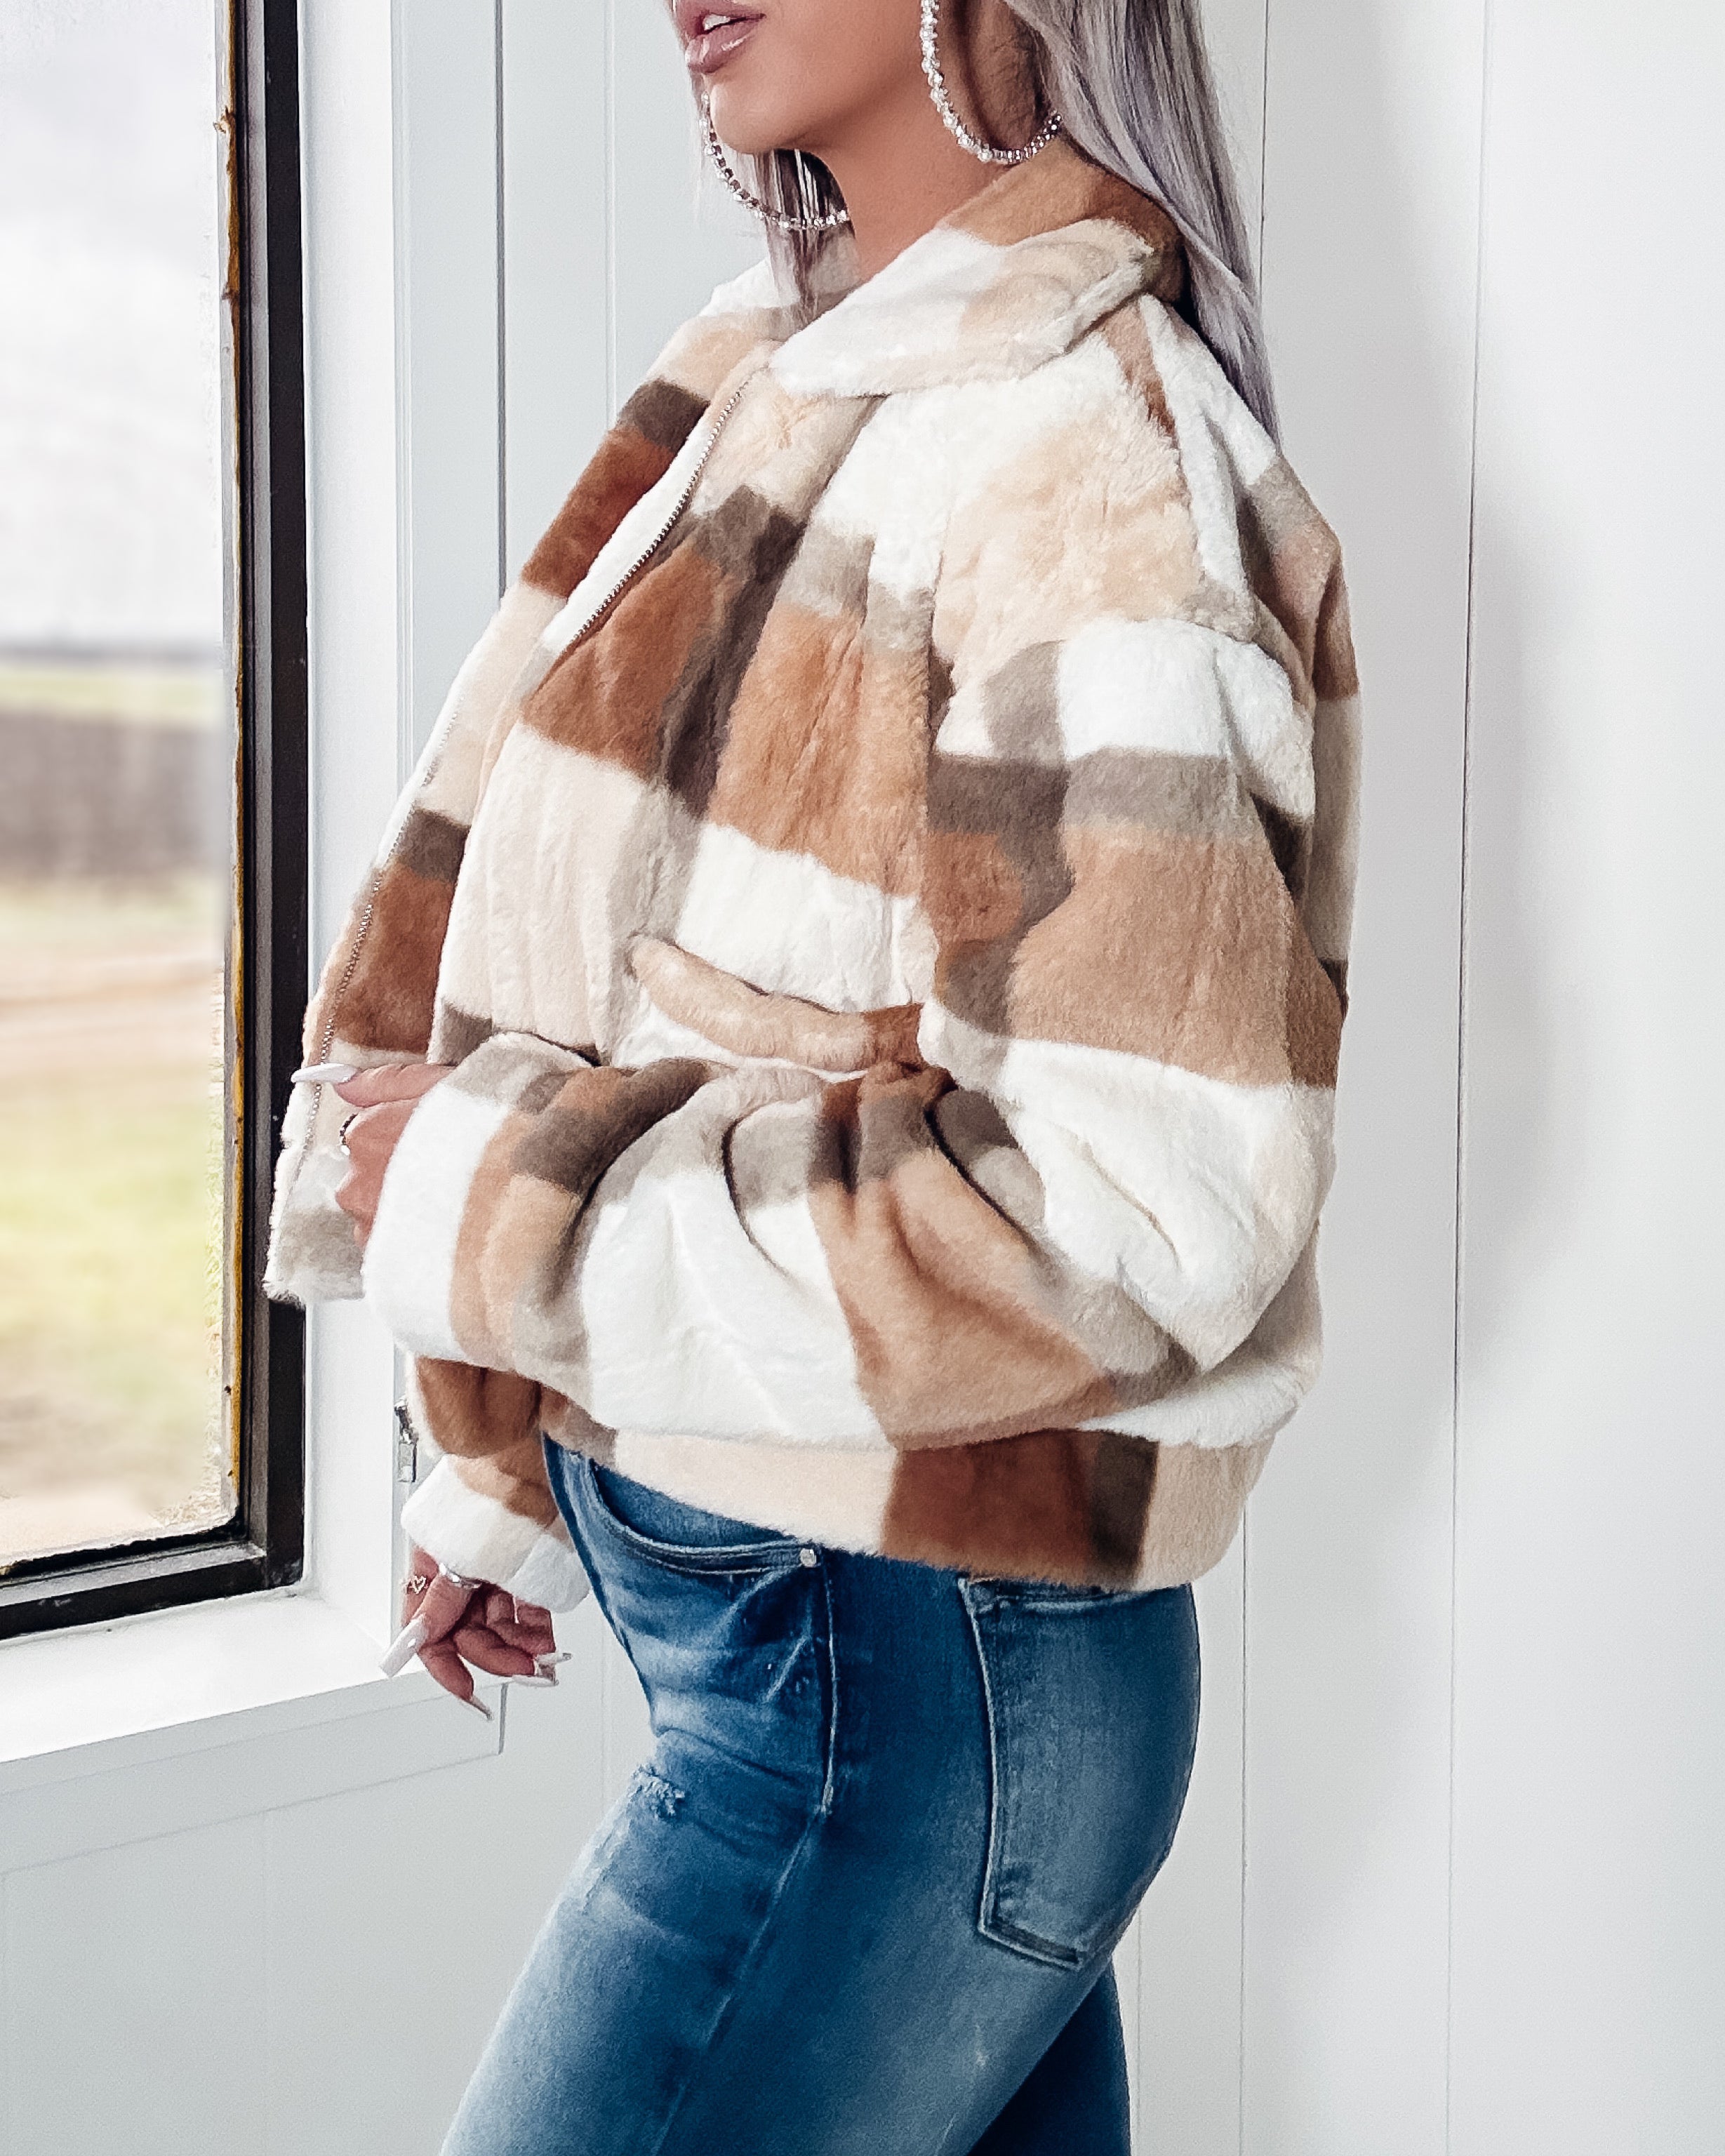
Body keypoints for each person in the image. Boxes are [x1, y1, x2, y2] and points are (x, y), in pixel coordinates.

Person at [266, 0, 1360, 2145]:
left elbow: (1136, 1210)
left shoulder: (1074, 447)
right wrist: (512, 1452)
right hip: (846, 1666)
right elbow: (612, 966)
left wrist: (490, 1216)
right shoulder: (788, 369)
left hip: (907, 1690)